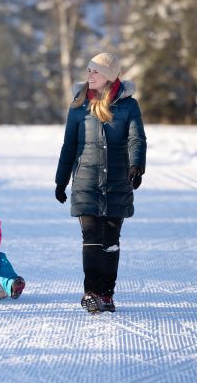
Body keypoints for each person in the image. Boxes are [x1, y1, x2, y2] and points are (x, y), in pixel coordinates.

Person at [55, 53, 146, 313]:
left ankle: (107, 294)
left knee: (111, 239)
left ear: (109, 75)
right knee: (91, 237)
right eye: (89, 70)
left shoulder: (129, 105)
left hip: (117, 181)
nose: (89, 75)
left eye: (95, 71)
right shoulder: (78, 104)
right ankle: (91, 292)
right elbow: (69, 145)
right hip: (86, 181)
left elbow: (136, 139)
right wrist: (61, 181)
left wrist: (136, 165)